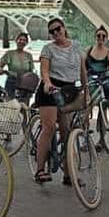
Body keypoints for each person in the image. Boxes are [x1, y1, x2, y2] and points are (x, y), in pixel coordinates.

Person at [33, 17, 87, 185]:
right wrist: (48, 83)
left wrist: (86, 91)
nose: (56, 33)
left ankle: (69, 173)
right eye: (52, 31)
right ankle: (40, 170)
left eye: (58, 29)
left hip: (69, 91)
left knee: (67, 133)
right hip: (51, 90)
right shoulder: (48, 49)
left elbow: (82, 70)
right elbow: (45, 70)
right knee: (49, 127)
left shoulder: (76, 46)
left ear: (64, 28)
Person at [0, 32, 35, 99]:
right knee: (10, 106)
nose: (22, 42)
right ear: (16, 41)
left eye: (24, 40)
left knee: (23, 106)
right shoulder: (10, 54)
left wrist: (31, 88)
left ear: (26, 43)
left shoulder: (29, 55)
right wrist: (1, 70)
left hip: (25, 85)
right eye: (20, 39)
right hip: (11, 82)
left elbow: (31, 72)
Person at [85, 25, 109, 103]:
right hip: (91, 79)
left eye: (103, 36)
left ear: (106, 38)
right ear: (95, 37)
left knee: (106, 101)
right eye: (98, 35)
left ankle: (103, 113)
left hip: (104, 79)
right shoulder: (89, 49)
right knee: (90, 102)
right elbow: (84, 67)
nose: (101, 37)